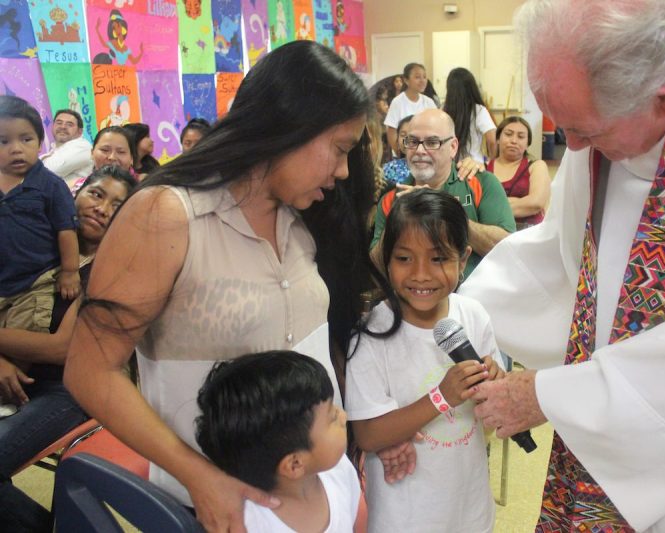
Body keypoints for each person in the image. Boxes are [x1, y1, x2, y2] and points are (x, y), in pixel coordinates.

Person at [459, 1, 665, 531]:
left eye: (586, 133)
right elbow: (561, 258)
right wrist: (451, 311)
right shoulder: (606, 104)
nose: (569, 147)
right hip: (606, 418)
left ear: (664, 102)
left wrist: (546, 394)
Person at [63, 40, 380, 533]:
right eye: (339, 149)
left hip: (313, 490)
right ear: (288, 127)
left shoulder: (303, 220)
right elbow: (90, 371)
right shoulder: (167, 217)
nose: (342, 171)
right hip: (217, 507)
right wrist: (199, 478)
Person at [347, 188, 502, 533]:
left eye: (438, 259)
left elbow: (490, 419)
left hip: (469, 508)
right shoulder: (372, 334)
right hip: (404, 516)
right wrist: (442, 396)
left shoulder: (473, 315)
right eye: (404, 258)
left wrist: (494, 383)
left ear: (462, 260)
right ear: (386, 260)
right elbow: (370, 434)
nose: (420, 274)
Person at [0, 165, 136, 532]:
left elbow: (63, 349)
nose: (103, 208)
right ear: (75, 194)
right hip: (15, 375)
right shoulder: (39, 248)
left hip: (69, 388)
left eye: (117, 206)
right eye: (96, 194)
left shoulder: (109, 270)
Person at [196, 351, 359, 533]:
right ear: (295, 464)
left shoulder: (339, 471)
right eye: (332, 417)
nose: (344, 416)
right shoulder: (244, 523)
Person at [371, 109, 515, 280]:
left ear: (453, 147)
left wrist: (443, 211)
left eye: (432, 142)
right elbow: (378, 266)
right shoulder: (392, 200)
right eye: (412, 141)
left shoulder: (481, 183)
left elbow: (508, 249)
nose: (420, 150)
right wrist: (399, 216)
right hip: (412, 299)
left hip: (474, 297)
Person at [0, 95, 80, 357]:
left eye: (26, 139)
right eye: (3, 141)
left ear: (40, 142)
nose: (16, 149)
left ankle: (17, 388)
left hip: (35, 282)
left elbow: (65, 230)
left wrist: (69, 271)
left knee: (25, 342)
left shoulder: (50, 185)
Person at [487, 117, 550, 228]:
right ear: (498, 139)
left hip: (529, 232)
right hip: (492, 234)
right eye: (508, 134)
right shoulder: (483, 168)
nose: (514, 141)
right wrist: (521, 203)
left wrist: (490, 208)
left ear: (527, 144)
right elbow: (474, 205)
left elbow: (536, 203)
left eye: (521, 136)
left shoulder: (537, 166)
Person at [442, 67, 496, 162]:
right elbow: (492, 140)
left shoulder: (443, 109)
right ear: (472, 87)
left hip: (449, 166)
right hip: (474, 166)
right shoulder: (478, 110)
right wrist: (493, 161)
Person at [383, 63, 437, 155]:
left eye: (424, 77)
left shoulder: (429, 102)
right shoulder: (398, 102)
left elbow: (436, 128)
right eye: (417, 77)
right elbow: (391, 132)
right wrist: (400, 152)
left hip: (425, 153)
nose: (422, 80)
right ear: (406, 80)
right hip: (403, 155)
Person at [69, 126, 137, 192]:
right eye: (105, 150)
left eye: (121, 152)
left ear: (131, 158)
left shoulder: (140, 193)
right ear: (92, 153)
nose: (112, 157)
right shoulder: (73, 188)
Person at [40, 109, 93, 183]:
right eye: (59, 123)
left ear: (79, 132)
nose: (63, 127)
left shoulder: (82, 146)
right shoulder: (54, 149)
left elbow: (49, 171)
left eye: (69, 124)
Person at [381, 114, 412, 187]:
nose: (406, 140)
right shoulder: (389, 169)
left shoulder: (432, 169)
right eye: (403, 135)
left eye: (412, 135)